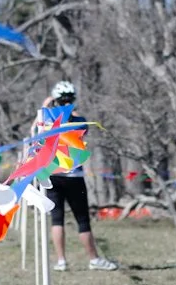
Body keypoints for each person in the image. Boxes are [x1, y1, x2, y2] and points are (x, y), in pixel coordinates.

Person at [33, 81, 119, 272]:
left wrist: (45, 107)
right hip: (73, 177)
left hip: (53, 176)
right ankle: (93, 259)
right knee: (82, 220)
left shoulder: (46, 123)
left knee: (57, 220)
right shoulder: (80, 121)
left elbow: (33, 132)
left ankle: (61, 261)